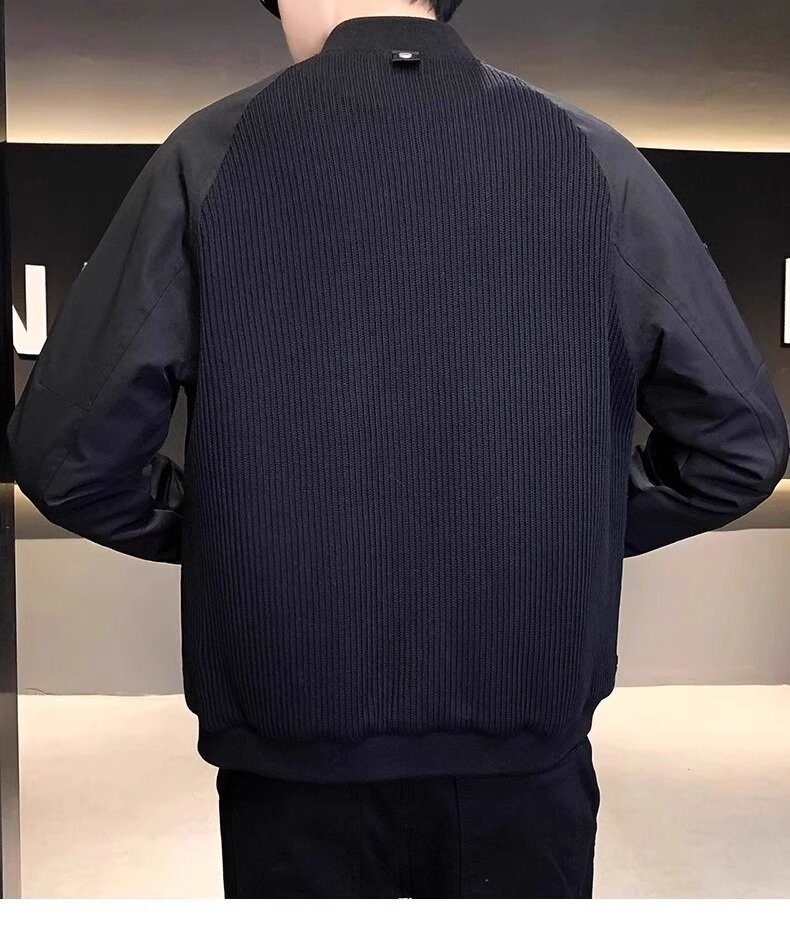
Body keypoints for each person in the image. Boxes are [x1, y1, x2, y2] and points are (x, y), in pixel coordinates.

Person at [6, 0, 788, 900]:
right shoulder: (589, 157)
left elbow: (69, 456)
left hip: (293, 737)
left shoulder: (215, 152)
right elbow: (739, 446)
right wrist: (575, 530)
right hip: (524, 741)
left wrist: (230, 534)